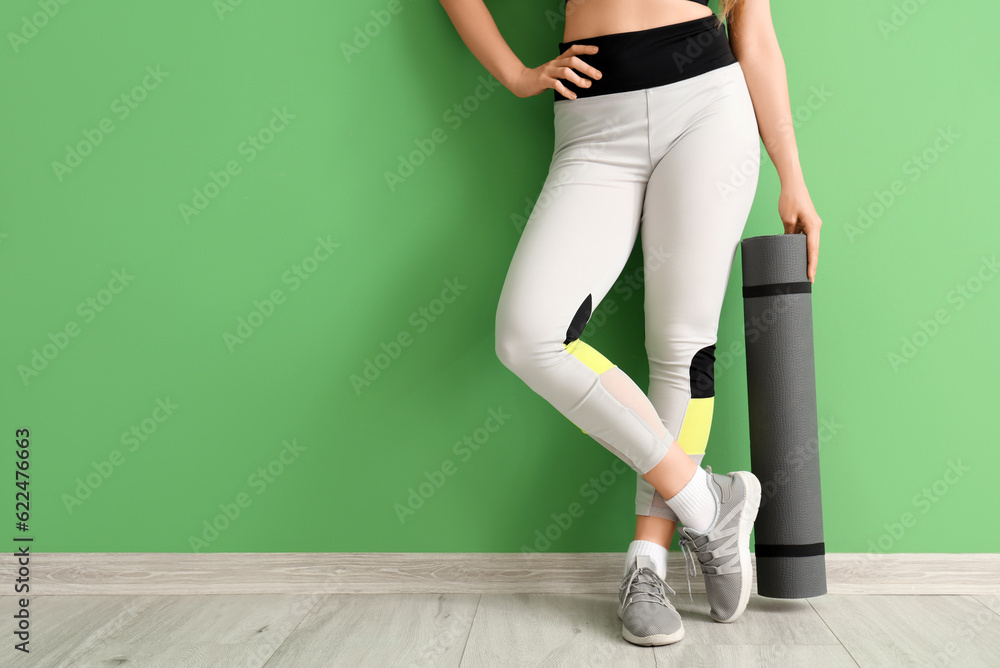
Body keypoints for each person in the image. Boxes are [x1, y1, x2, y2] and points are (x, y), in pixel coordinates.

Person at [438, 0, 822, 647]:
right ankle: (708, 503)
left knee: (682, 347)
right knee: (526, 334)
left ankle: (648, 565)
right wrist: (514, 73)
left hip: (708, 105)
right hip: (594, 119)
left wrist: (794, 176)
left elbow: (753, 30)